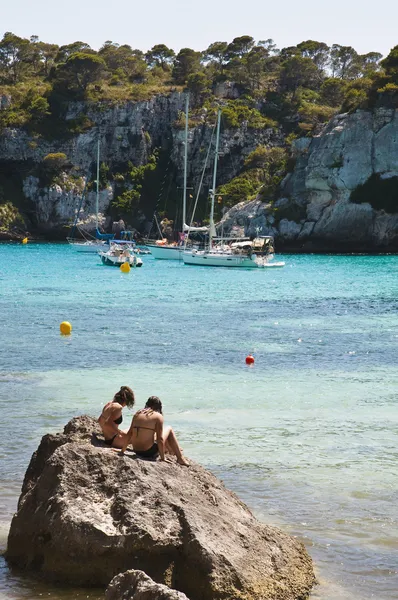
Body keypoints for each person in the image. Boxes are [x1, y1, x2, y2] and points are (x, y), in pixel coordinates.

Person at [120, 396, 189, 466]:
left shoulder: (137, 414)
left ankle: (171, 450)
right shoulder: (158, 416)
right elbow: (160, 439)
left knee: (153, 433)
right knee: (169, 428)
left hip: (136, 450)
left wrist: (122, 451)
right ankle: (180, 458)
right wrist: (163, 458)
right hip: (149, 452)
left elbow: (129, 433)